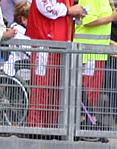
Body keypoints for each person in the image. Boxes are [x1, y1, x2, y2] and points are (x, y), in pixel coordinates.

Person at [25, 0, 85, 129]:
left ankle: (50, 127)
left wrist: (73, 12)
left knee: (55, 90)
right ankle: (36, 127)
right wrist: (69, 11)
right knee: (41, 87)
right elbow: (47, 8)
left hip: (59, 46)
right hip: (45, 45)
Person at [72, 0, 117, 135]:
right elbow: (87, 21)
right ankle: (84, 124)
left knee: (93, 92)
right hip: (87, 54)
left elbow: (99, 28)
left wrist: (109, 42)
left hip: (97, 54)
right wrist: (112, 18)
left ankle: (88, 124)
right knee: (87, 92)